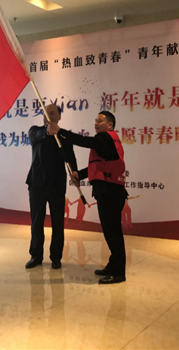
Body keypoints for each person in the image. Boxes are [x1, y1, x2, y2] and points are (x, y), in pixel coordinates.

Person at [47, 111, 128, 284]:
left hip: (111, 192)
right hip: (108, 192)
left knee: (113, 233)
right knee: (110, 232)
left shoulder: (105, 138)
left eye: (100, 120)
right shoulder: (107, 142)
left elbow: (84, 141)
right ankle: (113, 265)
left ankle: (119, 273)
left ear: (110, 125)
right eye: (95, 120)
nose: (96, 123)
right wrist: (80, 174)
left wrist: (60, 131)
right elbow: (98, 165)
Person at [25, 104, 78, 269]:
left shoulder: (64, 137)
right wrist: (47, 132)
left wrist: (75, 172)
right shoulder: (35, 131)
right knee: (36, 221)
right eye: (45, 113)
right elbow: (35, 136)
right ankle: (35, 255)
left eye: (52, 113)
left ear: (59, 117)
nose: (48, 116)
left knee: (57, 223)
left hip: (56, 185)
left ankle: (56, 257)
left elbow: (70, 158)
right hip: (37, 184)